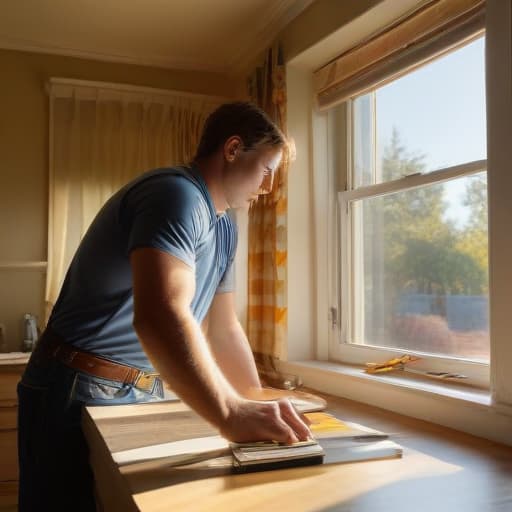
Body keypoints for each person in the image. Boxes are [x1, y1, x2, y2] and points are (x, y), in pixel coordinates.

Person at [17, 102, 311, 511]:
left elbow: (224, 329)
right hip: (74, 382)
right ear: (232, 149)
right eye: (266, 169)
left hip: (140, 387)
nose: (268, 187)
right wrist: (229, 412)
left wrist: (252, 400)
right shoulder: (176, 195)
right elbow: (160, 314)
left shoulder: (224, 227)